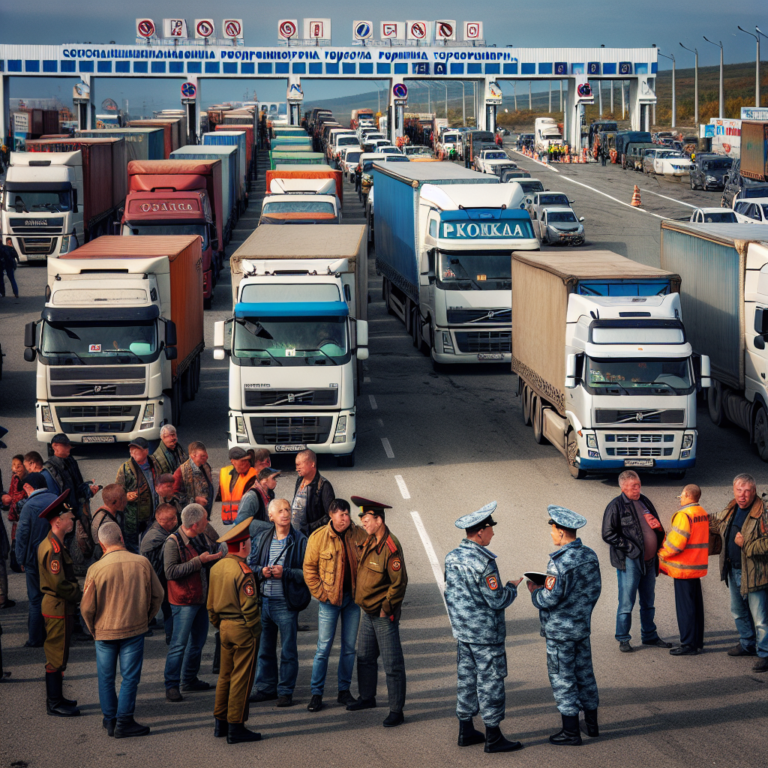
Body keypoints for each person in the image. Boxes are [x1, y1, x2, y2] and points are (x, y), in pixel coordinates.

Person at [445, 502, 524, 753]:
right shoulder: (484, 562)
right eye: (490, 528)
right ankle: (493, 736)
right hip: (486, 636)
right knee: (491, 682)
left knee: (466, 680)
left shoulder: (452, 557)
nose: (493, 532)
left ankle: (465, 729)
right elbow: (496, 599)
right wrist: (512, 587)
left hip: (464, 633)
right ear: (480, 531)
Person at [81, 522, 164, 738]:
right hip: (134, 629)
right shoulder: (142, 563)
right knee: (129, 677)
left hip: (104, 631)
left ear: (101, 543)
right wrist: (146, 617)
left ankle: (110, 720)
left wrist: (93, 628)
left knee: (106, 677)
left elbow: (87, 607)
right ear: (121, 537)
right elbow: (158, 595)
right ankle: (124, 720)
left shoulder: (95, 569)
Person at [528, 505, 602, 747]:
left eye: (552, 530)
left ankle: (570, 731)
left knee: (563, 678)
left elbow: (549, 599)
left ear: (560, 532)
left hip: (560, 632)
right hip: (581, 627)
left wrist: (535, 592)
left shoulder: (558, 563)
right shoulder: (590, 555)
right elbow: (594, 590)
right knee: (585, 676)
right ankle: (591, 724)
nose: (551, 534)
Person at [348, 497, 407, 728]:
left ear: (379, 520)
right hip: (367, 612)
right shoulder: (369, 539)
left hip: (382, 615)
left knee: (392, 664)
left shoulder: (391, 546)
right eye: (362, 518)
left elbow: (399, 583)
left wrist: (386, 609)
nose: (363, 522)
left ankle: (396, 710)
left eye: (367, 518)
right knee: (364, 657)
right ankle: (367, 697)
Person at [304, 498, 368, 713]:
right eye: (341, 514)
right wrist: (322, 595)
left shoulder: (358, 534)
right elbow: (309, 570)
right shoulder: (318, 538)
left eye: (347, 514)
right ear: (331, 515)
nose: (345, 518)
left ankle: (344, 691)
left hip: (352, 601)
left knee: (349, 648)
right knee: (323, 649)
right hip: (329, 602)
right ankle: (316, 694)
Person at [247, 498, 309, 707]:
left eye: (288, 509)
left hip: (286, 605)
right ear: (270, 516)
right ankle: (265, 688)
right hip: (265, 602)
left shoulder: (300, 540)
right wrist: (261, 572)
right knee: (265, 649)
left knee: (288, 651)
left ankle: (285, 691)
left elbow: (309, 573)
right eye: (280, 511)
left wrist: (287, 573)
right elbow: (251, 564)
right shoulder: (263, 538)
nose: (285, 513)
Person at [601, 470, 671, 652]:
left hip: (649, 560)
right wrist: (631, 548)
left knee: (648, 601)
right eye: (633, 486)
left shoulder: (644, 501)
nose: (637, 488)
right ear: (623, 487)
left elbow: (655, 523)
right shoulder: (615, 506)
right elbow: (608, 534)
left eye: (638, 484)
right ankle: (623, 638)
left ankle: (649, 636)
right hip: (630, 561)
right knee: (627, 602)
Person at [207, 516, 262, 744]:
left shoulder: (217, 567)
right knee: (242, 678)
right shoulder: (243, 570)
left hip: (224, 627)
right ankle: (236, 725)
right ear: (241, 546)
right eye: (248, 542)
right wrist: (255, 630)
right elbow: (249, 606)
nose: (251, 546)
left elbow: (210, 604)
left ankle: (220, 722)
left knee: (225, 676)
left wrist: (219, 624)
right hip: (242, 627)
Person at [163, 503, 222, 702]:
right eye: (205, 520)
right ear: (195, 524)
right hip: (183, 602)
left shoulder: (197, 537)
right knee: (179, 645)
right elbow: (170, 572)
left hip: (199, 598)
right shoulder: (173, 542)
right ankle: (171, 685)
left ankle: (189, 679)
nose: (208, 523)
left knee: (197, 642)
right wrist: (200, 561)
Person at [710, 473, 768, 673]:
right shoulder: (732, 507)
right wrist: (692, 515)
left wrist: (748, 545)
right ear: (734, 490)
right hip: (733, 569)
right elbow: (717, 521)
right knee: (738, 611)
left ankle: (765, 653)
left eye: (747, 491)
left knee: (760, 616)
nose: (742, 495)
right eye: (738, 490)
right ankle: (747, 643)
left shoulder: (764, 511)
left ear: (754, 492)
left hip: (756, 573)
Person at [37, 490, 83, 717]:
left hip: (58, 606)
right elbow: (59, 585)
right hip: (58, 606)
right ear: (57, 521)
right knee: (56, 654)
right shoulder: (53, 549)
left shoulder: (55, 544)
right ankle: (54, 702)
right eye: (69, 517)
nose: (73, 520)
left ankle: (58, 698)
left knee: (61, 652)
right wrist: (80, 593)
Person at [658, 485, 709, 656]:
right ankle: (697, 642)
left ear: (687, 495)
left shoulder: (684, 515)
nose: (680, 498)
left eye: (681, 495)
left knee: (685, 608)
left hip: (683, 569)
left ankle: (687, 644)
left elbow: (676, 544)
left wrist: (661, 554)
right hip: (696, 567)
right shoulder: (701, 512)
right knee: (695, 606)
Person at [44, 434, 99, 574]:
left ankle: (72, 566)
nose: (69, 448)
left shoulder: (71, 461)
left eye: (69, 445)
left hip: (74, 509)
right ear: (54, 446)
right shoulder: (50, 469)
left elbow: (78, 485)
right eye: (65, 445)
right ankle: (64, 569)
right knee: (63, 540)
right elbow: (57, 495)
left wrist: (88, 489)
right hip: (62, 512)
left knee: (73, 539)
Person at [14, 473, 58, 646]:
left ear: (27, 487)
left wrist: (20, 559)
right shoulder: (57, 499)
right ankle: (57, 634)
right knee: (55, 595)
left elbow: (22, 536)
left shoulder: (29, 506)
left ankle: (35, 638)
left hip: (34, 559)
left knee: (35, 599)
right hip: (55, 556)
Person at [140, 503, 178, 645]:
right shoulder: (158, 537)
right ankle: (171, 637)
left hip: (156, 576)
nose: (176, 521)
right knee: (168, 607)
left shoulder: (157, 531)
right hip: (157, 578)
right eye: (174, 518)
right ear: (168, 521)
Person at [116, 437, 160, 554]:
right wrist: (126, 495)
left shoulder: (154, 463)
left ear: (146, 451)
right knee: (132, 549)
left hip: (151, 515)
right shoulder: (125, 469)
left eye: (136, 450)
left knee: (149, 545)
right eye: (131, 450)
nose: (132, 453)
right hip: (132, 518)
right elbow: (117, 492)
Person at [291, 449, 334, 537]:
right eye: (296, 465)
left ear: (312, 464)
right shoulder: (299, 480)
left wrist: (309, 528)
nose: (297, 469)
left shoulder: (324, 486)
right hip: (296, 535)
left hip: (312, 537)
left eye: (299, 465)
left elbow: (330, 515)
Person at [217, 447, 259, 525]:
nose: (246, 463)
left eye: (247, 460)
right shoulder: (224, 473)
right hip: (228, 519)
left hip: (245, 520)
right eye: (242, 461)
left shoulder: (253, 474)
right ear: (233, 462)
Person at [173, 442, 215, 518]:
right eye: (202, 456)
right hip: (191, 517)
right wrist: (194, 500)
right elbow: (174, 496)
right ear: (193, 455)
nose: (206, 457)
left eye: (206, 455)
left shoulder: (205, 467)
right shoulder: (180, 472)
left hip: (204, 514)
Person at [236, 466, 280, 536]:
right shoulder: (250, 497)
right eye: (273, 479)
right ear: (265, 481)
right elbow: (241, 523)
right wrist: (271, 527)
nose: (276, 482)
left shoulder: (269, 494)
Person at [90, 484, 127, 561]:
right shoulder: (105, 523)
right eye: (122, 499)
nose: (126, 500)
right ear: (114, 502)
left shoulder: (115, 512)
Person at [1, 453, 26, 544]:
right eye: (13, 465)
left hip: (23, 516)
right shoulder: (14, 478)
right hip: (15, 515)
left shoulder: (27, 483)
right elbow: (11, 492)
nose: (15, 468)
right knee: (15, 537)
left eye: (19, 466)